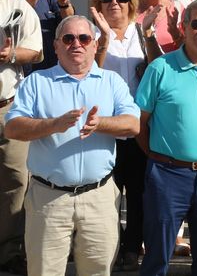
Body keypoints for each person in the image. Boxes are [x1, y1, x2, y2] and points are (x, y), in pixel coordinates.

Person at [5, 15, 140, 276]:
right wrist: (52, 125)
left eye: (83, 38)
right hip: (48, 198)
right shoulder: (37, 82)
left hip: (98, 197)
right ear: (56, 46)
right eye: (68, 38)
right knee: (44, 271)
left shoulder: (111, 82)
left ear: (94, 45)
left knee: (98, 271)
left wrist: (100, 124)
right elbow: (13, 127)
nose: (75, 44)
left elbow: (133, 124)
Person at [135, 0, 197, 276]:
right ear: (184, 27)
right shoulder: (160, 68)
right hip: (167, 174)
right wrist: (159, 157)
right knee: (156, 259)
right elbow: (138, 124)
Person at [88, 0, 162, 271]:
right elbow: (87, 74)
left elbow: (160, 69)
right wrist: (104, 40)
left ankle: (132, 248)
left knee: (138, 192)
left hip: (139, 125)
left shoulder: (140, 31)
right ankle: (110, 247)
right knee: (107, 193)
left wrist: (150, 35)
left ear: (132, 3)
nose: (114, 3)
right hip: (104, 126)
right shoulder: (88, 33)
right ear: (98, 3)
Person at [0, 0, 42, 275]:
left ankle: (10, 251)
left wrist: (11, 53)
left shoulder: (18, 7)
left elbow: (37, 51)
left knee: (15, 179)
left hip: (7, 108)